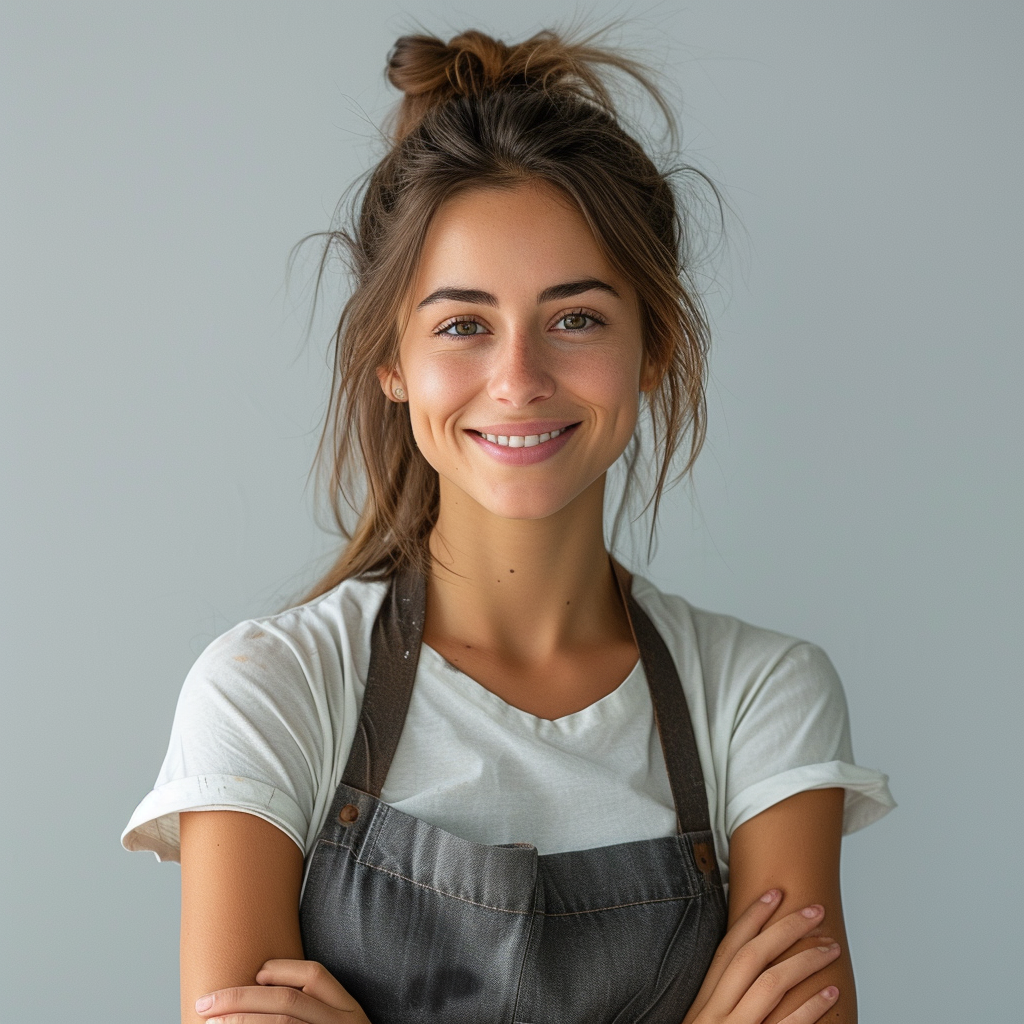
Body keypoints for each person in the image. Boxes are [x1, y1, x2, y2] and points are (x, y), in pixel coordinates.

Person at [121, 28, 895, 1024]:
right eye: (462, 324)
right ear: (391, 360)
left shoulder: (759, 699)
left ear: (652, 344)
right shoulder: (271, 691)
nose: (519, 378)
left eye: (575, 317)